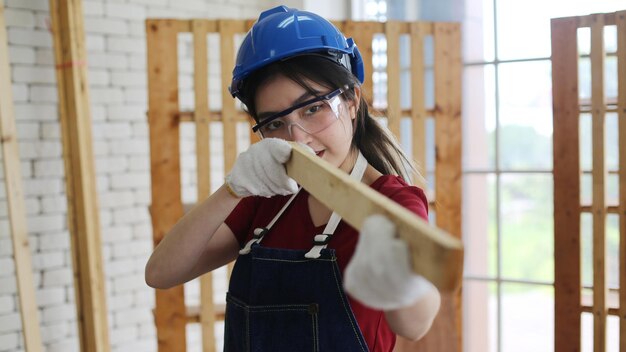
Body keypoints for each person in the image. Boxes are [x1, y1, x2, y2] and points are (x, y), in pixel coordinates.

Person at [145, 5, 440, 351]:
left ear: (351, 100)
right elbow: (160, 273)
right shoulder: (270, 194)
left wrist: (402, 281)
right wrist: (231, 189)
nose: (298, 138)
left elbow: (414, 324)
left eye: (313, 108)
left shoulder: (391, 203)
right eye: (275, 123)